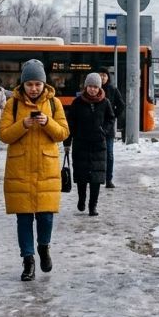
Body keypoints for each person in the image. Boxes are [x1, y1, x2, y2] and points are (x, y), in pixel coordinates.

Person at [0, 59, 69, 282]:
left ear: (44, 84)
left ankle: (43, 248)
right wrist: (24, 125)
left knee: (46, 217)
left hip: (46, 168)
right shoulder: (13, 104)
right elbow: (4, 135)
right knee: (24, 219)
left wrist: (47, 122)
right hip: (20, 169)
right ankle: (28, 260)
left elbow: (63, 133)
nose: (34, 88)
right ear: (23, 84)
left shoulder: (55, 104)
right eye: (29, 84)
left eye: (38, 84)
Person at [65, 72, 115, 216]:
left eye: (95, 86)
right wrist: (67, 143)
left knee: (96, 179)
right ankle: (81, 199)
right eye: (90, 86)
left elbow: (111, 119)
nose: (92, 89)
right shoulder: (77, 102)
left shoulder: (105, 102)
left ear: (99, 87)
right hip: (81, 144)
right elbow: (70, 124)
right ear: (85, 87)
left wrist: (104, 131)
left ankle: (93, 206)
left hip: (99, 145)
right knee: (82, 176)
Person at [97, 67, 123, 188]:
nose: (102, 77)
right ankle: (96, 178)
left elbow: (121, 105)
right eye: (100, 75)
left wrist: (113, 116)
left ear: (108, 77)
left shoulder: (113, 90)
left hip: (108, 128)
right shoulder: (93, 89)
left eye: (104, 75)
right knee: (95, 154)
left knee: (109, 154)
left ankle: (108, 179)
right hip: (94, 128)